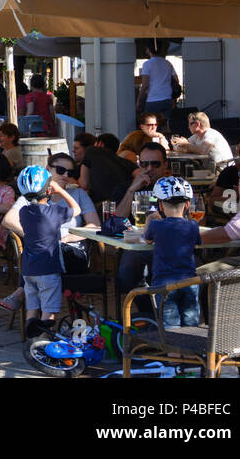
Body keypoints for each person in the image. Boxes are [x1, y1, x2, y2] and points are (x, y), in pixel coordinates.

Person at [15, 166, 80, 330]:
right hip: (48, 269)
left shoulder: (23, 211)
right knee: (48, 309)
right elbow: (77, 210)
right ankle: (44, 339)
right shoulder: (54, 212)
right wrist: (61, 191)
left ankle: (30, 333)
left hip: (29, 270)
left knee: (33, 305)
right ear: (49, 190)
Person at [113, 143, 170, 302]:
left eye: (155, 164)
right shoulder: (127, 187)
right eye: (144, 164)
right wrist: (132, 190)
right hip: (137, 247)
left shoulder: (174, 187)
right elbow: (117, 221)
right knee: (128, 273)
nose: (149, 168)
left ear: (165, 164)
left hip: (171, 244)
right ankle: (149, 317)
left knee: (198, 271)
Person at [143, 176, 201, 328]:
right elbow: (197, 243)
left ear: (160, 206)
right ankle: (190, 351)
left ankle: (173, 353)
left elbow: (147, 239)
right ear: (187, 205)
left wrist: (150, 218)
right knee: (192, 327)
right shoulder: (193, 226)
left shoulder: (156, 226)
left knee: (170, 329)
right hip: (189, 281)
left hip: (164, 284)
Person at [77, 131, 136, 206]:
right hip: (122, 203)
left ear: (100, 144)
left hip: (100, 205)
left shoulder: (92, 151)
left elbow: (84, 184)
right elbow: (139, 174)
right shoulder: (125, 162)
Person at [137, 41, 180, 117]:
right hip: (167, 98)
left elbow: (145, 84)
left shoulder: (147, 64)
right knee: (166, 124)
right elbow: (176, 80)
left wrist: (139, 101)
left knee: (150, 125)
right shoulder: (167, 63)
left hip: (153, 99)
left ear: (148, 50)